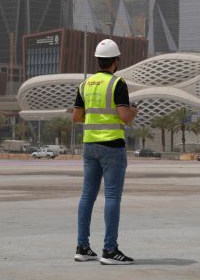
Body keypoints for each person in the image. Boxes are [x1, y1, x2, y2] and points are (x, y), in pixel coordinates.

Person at [72, 38, 138, 265]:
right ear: (116, 61)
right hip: (112, 146)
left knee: (87, 196)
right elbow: (124, 117)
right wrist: (133, 112)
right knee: (111, 197)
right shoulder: (117, 83)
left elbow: (76, 117)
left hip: (90, 145)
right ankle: (109, 250)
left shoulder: (85, 85)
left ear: (98, 60)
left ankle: (82, 247)